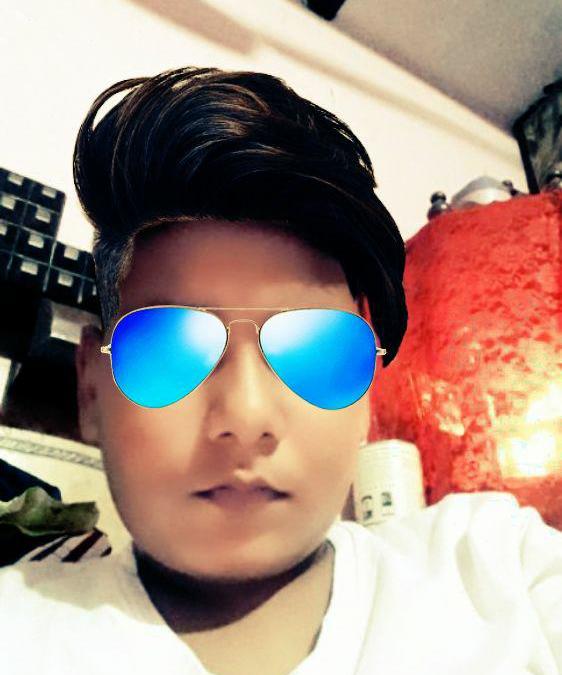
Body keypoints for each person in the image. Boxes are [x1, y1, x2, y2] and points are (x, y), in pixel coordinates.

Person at [1, 65, 561, 675]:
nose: (246, 417)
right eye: (169, 352)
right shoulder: (19, 628)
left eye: (316, 351)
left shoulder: (497, 569)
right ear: (90, 389)